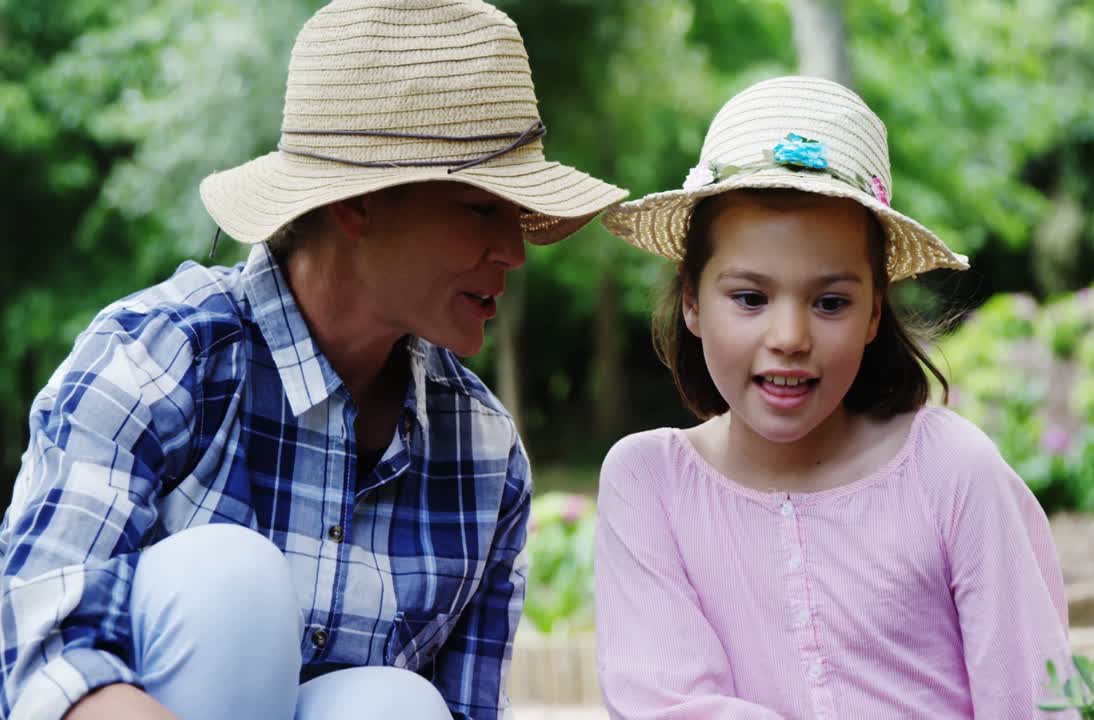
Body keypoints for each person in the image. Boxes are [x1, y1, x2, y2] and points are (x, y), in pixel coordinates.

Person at [0, 1, 626, 719]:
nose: (515, 251)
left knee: (397, 706)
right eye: (483, 208)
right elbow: (44, 650)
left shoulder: (486, 454)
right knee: (226, 581)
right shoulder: (159, 355)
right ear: (358, 204)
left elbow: (467, 708)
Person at [594, 76, 1072, 718]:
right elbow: (667, 704)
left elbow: (1035, 700)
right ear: (690, 302)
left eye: (830, 302)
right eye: (750, 298)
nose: (789, 337)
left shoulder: (954, 472)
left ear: (875, 313)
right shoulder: (650, 482)